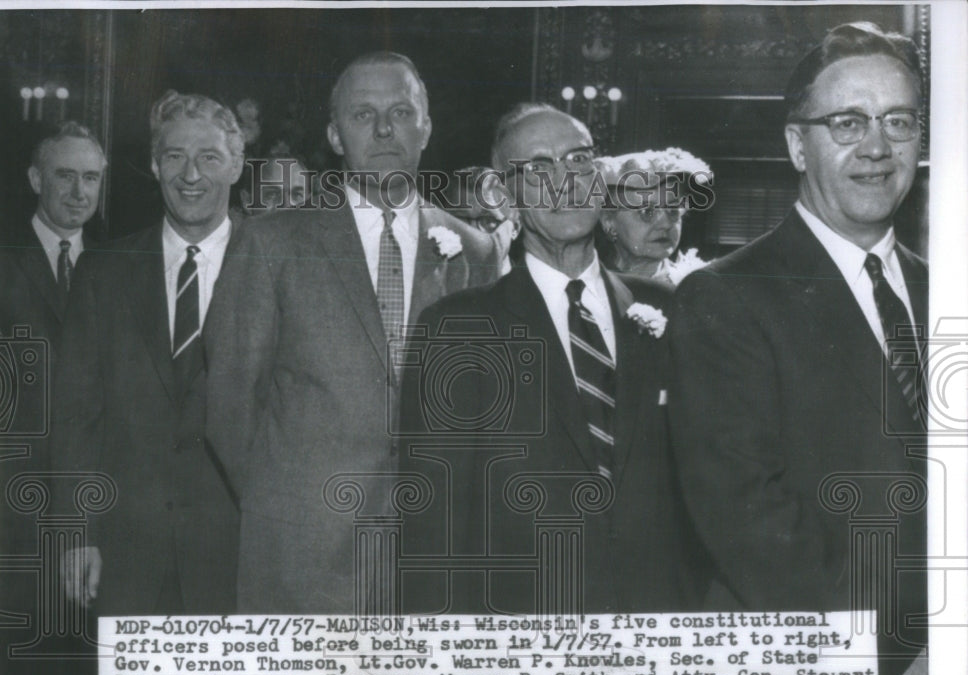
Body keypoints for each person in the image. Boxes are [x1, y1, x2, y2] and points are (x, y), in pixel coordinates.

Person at [668, 22, 928, 675]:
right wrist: (896, 663)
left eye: (898, 121)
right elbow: (749, 522)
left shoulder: (947, 290)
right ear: (795, 145)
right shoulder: (725, 296)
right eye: (847, 122)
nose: (876, 146)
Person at [204, 52, 509, 613]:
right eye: (363, 114)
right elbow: (230, 403)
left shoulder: (474, 251)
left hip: (433, 557)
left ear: (426, 127)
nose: (385, 129)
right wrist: (287, 501)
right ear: (334, 135)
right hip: (302, 555)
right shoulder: (272, 243)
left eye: (401, 111)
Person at [400, 103, 703, 615]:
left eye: (579, 160)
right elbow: (434, 526)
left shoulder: (670, 310)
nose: (566, 181)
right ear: (504, 196)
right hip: (522, 624)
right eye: (539, 168)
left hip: (659, 618)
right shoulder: (458, 328)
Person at [53, 91, 244, 619]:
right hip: (124, 556)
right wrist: (77, 534)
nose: (191, 174)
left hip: (239, 557)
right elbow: (76, 418)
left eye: (209, 157)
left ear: (236, 166)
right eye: (175, 156)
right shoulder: (103, 272)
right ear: (155, 166)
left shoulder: (274, 266)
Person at [0, 121, 106, 675]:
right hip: (14, 514)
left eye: (91, 178)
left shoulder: (120, 264)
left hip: (96, 509)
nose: (79, 192)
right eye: (65, 176)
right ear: (36, 179)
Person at [596, 148, 710, 286]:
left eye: (673, 210)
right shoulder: (589, 284)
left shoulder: (695, 285)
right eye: (647, 212)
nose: (666, 224)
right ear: (608, 222)